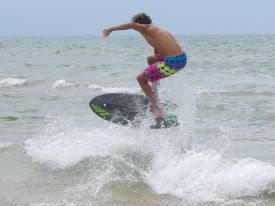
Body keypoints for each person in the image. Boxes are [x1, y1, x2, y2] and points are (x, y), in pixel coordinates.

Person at [103, 13, 187, 120]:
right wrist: (155, 69)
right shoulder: (158, 31)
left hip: (173, 62)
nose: (135, 29)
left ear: (139, 24)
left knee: (141, 78)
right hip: (181, 58)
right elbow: (158, 49)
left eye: (136, 27)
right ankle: (154, 91)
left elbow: (131, 25)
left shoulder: (147, 28)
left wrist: (110, 29)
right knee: (151, 59)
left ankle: (158, 109)